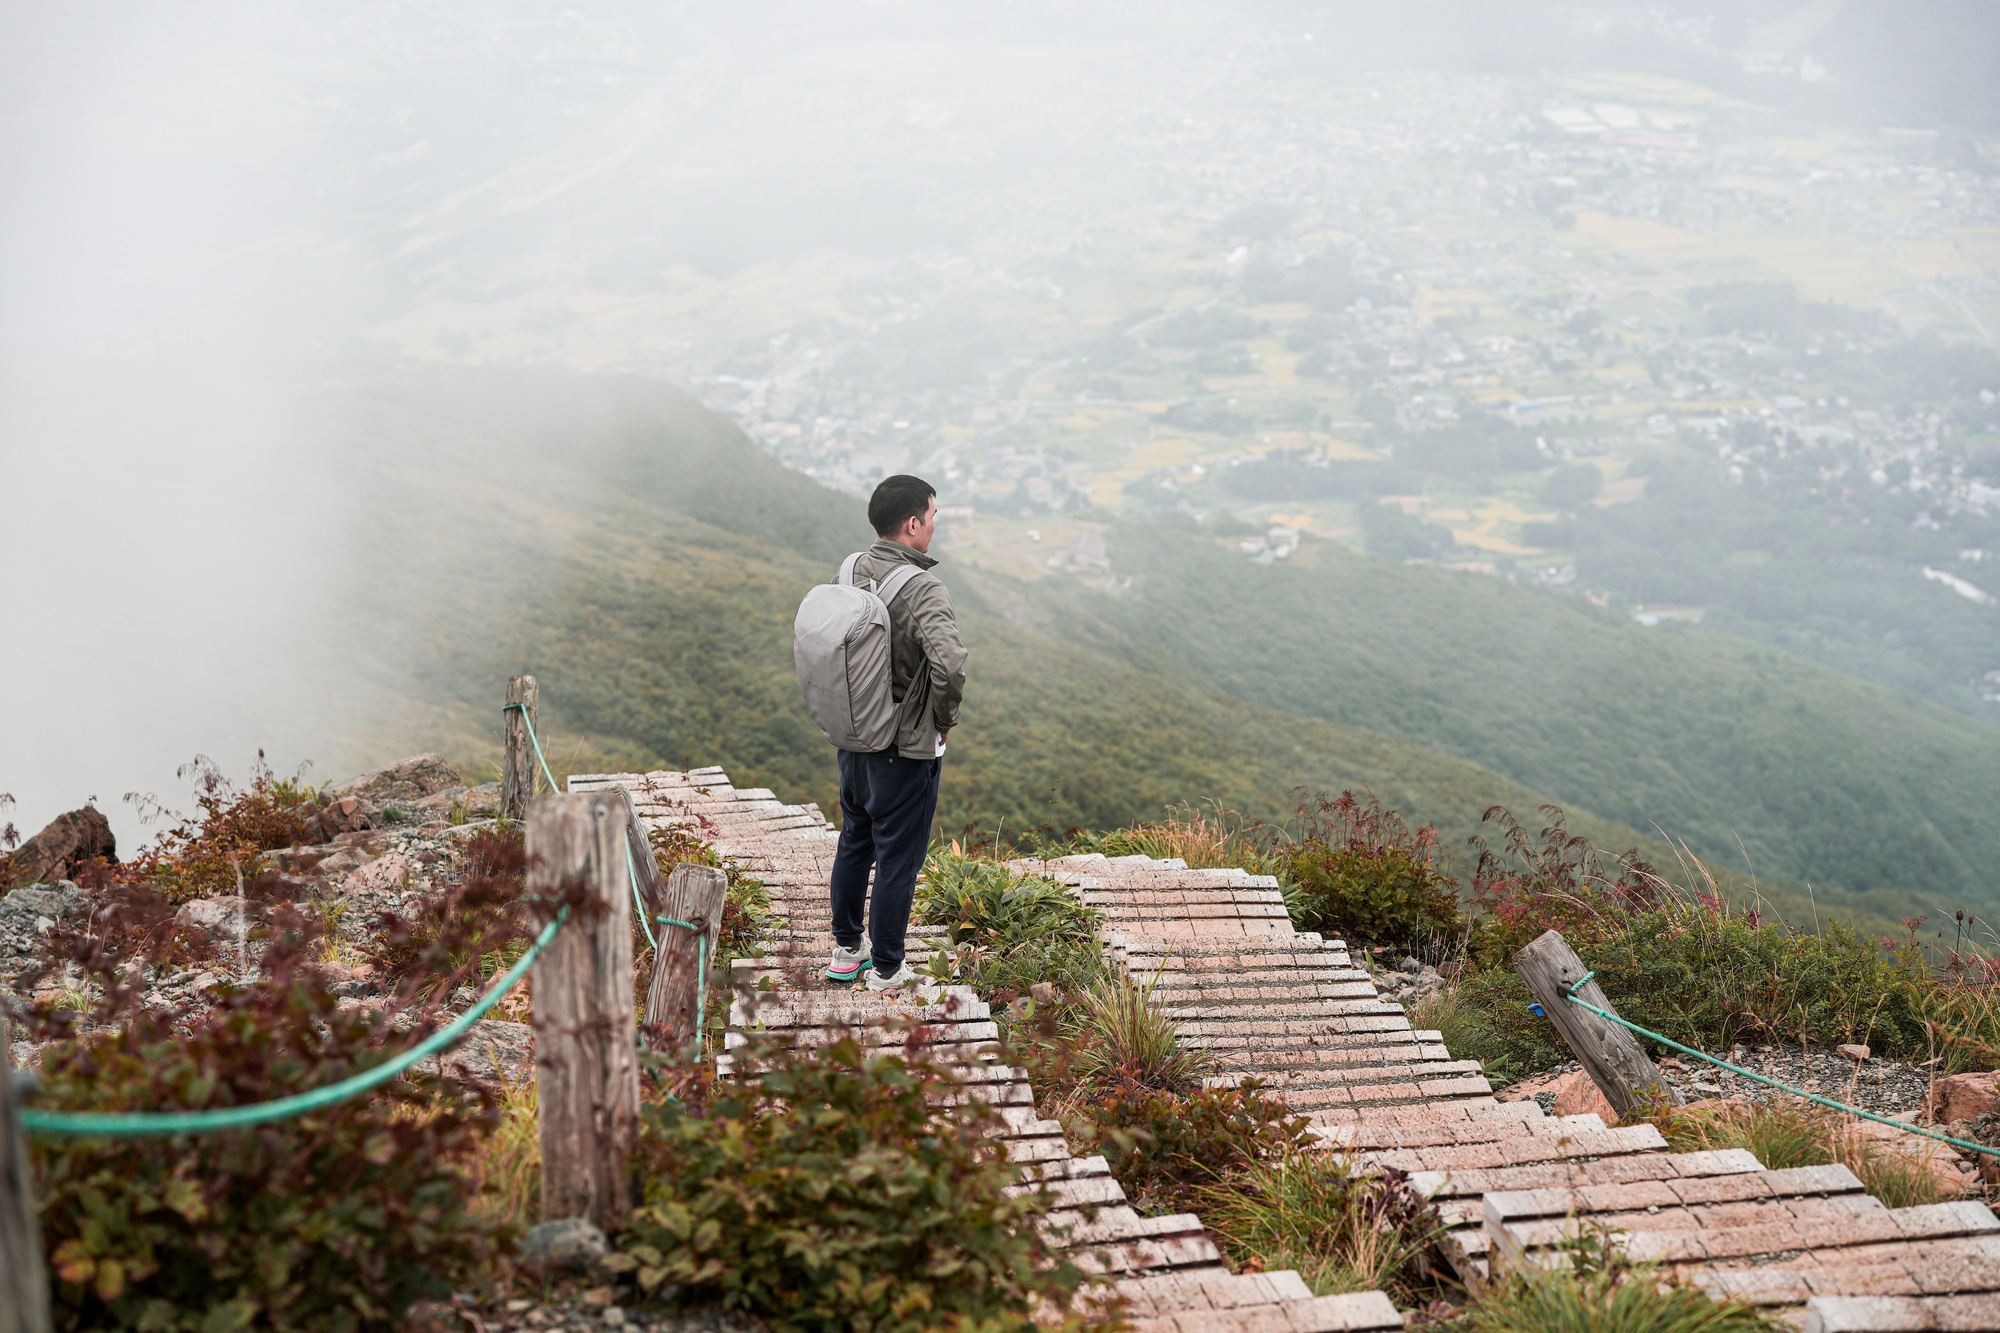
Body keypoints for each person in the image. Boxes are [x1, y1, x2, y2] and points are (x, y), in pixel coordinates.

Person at [826, 474, 967, 991]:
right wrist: (942, 724)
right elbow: (949, 666)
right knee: (898, 860)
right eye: (932, 518)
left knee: (854, 841)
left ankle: (846, 951)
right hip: (904, 748)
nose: (933, 527)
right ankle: (887, 969)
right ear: (912, 523)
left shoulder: (850, 569)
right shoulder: (922, 586)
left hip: (853, 737)